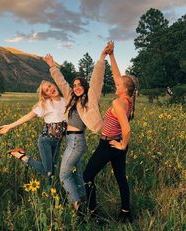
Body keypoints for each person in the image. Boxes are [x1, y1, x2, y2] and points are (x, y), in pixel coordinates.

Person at [43, 43, 112, 211]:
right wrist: (52, 66)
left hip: (76, 140)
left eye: (80, 84)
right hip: (70, 140)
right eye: (75, 85)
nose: (76, 87)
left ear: (85, 87)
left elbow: (96, 78)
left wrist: (102, 57)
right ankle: (88, 207)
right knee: (79, 176)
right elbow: (61, 82)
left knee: (64, 175)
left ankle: (77, 205)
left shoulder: (90, 98)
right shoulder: (70, 98)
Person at [83, 41, 137, 223]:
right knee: (121, 178)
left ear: (125, 88)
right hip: (117, 143)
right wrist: (111, 55)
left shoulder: (118, 102)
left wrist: (122, 145)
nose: (116, 83)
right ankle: (125, 213)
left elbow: (127, 128)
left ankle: (92, 214)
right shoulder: (128, 98)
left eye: (119, 84)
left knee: (87, 175)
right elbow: (117, 76)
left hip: (109, 144)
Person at [0, 80, 66, 184]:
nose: (50, 89)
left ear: (54, 84)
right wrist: (10, 126)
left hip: (58, 141)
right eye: (47, 90)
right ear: (46, 94)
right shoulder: (45, 104)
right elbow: (28, 116)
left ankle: (50, 195)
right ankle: (22, 156)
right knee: (48, 172)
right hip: (46, 140)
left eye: (50, 86)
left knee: (52, 171)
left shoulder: (65, 100)